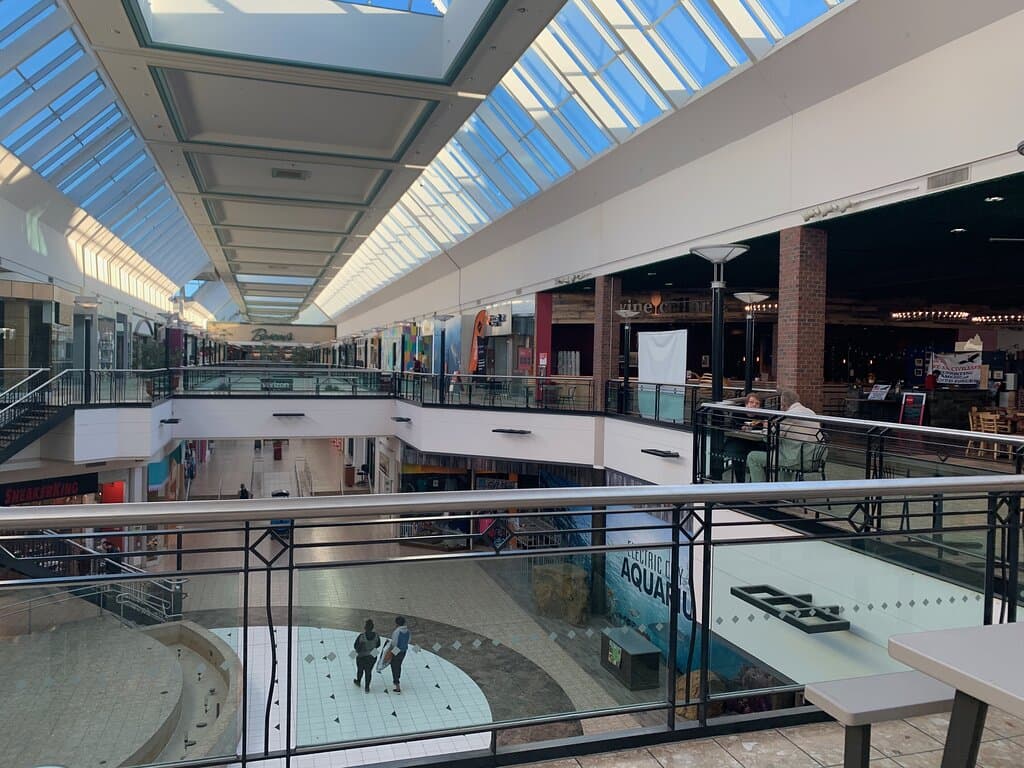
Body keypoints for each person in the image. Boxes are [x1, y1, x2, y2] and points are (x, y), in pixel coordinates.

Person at [746, 389, 821, 483]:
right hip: (815, 459)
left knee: (753, 457)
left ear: (783, 403)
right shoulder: (810, 412)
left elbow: (769, 438)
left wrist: (766, 427)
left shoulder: (788, 416)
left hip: (798, 460)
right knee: (784, 452)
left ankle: (761, 490)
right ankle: (784, 489)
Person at [722, 392, 763, 482]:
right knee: (737, 455)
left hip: (754, 442)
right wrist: (741, 428)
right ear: (746, 404)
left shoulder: (762, 416)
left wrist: (765, 425)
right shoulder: (738, 413)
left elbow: (763, 428)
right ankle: (740, 481)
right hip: (738, 440)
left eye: (757, 403)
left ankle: (756, 481)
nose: (754, 405)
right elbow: (732, 426)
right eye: (751, 402)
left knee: (761, 452)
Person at [353, 619, 381, 693]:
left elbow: (355, 646)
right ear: (372, 627)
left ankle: (358, 681)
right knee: (368, 671)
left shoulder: (361, 636)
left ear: (365, 627)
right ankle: (367, 687)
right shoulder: (376, 636)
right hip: (372, 656)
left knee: (360, 670)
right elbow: (378, 645)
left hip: (361, 656)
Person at [389, 616, 411, 693]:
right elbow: (409, 640)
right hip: (404, 650)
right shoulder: (408, 631)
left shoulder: (397, 631)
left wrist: (391, 651)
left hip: (396, 650)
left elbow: (394, 643)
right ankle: (397, 678)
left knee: (394, 665)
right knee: (398, 664)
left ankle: (397, 684)